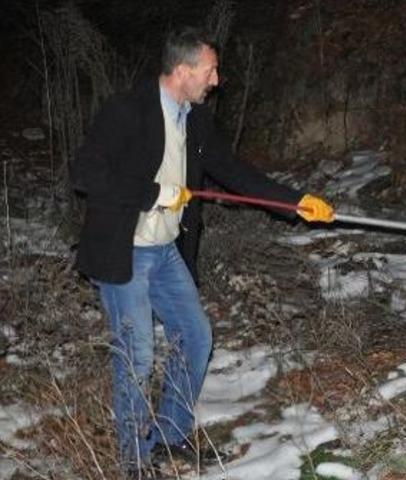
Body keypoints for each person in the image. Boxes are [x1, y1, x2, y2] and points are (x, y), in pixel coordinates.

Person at [71, 27, 334, 476]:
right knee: (137, 357)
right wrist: (153, 193)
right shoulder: (127, 111)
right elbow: (85, 174)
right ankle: (132, 462)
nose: (217, 80)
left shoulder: (196, 118)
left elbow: (231, 170)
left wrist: (296, 202)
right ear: (183, 71)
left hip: (165, 249)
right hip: (124, 251)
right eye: (210, 70)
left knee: (195, 337)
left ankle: (169, 439)